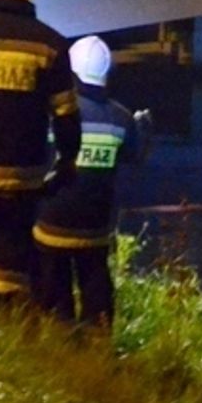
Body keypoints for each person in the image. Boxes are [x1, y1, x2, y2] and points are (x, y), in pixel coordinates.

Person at [0, 0, 81, 301]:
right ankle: (4, 328)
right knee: (11, 261)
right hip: (21, 178)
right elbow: (65, 115)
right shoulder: (49, 45)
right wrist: (68, 161)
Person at [32, 35, 151, 326]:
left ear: (70, 72)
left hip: (52, 224)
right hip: (95, 228)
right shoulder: (121, 119)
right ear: (107, 73)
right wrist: (144, 129)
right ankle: (96, 349)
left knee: (53, 297)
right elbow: (135, 157)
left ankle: (58, 347)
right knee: (97, 293)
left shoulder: (52, 112)